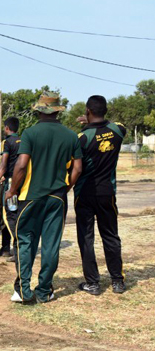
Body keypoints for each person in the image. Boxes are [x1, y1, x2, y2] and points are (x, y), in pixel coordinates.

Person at [6, 91, 82, 304]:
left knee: (25, 241)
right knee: (51, 244)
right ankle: (44, 290)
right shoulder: (71, 135)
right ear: (58, 111)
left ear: (39, 110)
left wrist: (12, 190)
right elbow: (77, 169)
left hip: (30, 196)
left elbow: (21, 165)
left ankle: (23, 290)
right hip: (57, 198)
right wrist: (66, 187)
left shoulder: (30, 133)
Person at [73, 95, 126, 295]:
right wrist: (95, 120)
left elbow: (75, 166)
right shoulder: (118, 130)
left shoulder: (82, 138)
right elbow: (112, 126)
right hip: (108, 193)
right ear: (105, 110)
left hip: (84, 193)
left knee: (86, 238)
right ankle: (117, 281)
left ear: (87, 111)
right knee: (111, 236)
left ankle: (93, 284)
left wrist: (87, 124)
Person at [0, 117, 22, 260]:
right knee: (10, 215)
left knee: (10, 216)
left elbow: (3, 165)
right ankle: (5, 247)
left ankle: (17, 251)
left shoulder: (7, 142)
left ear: (7, 128)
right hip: (22, 183)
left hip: (11, 184)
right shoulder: (24, 141)